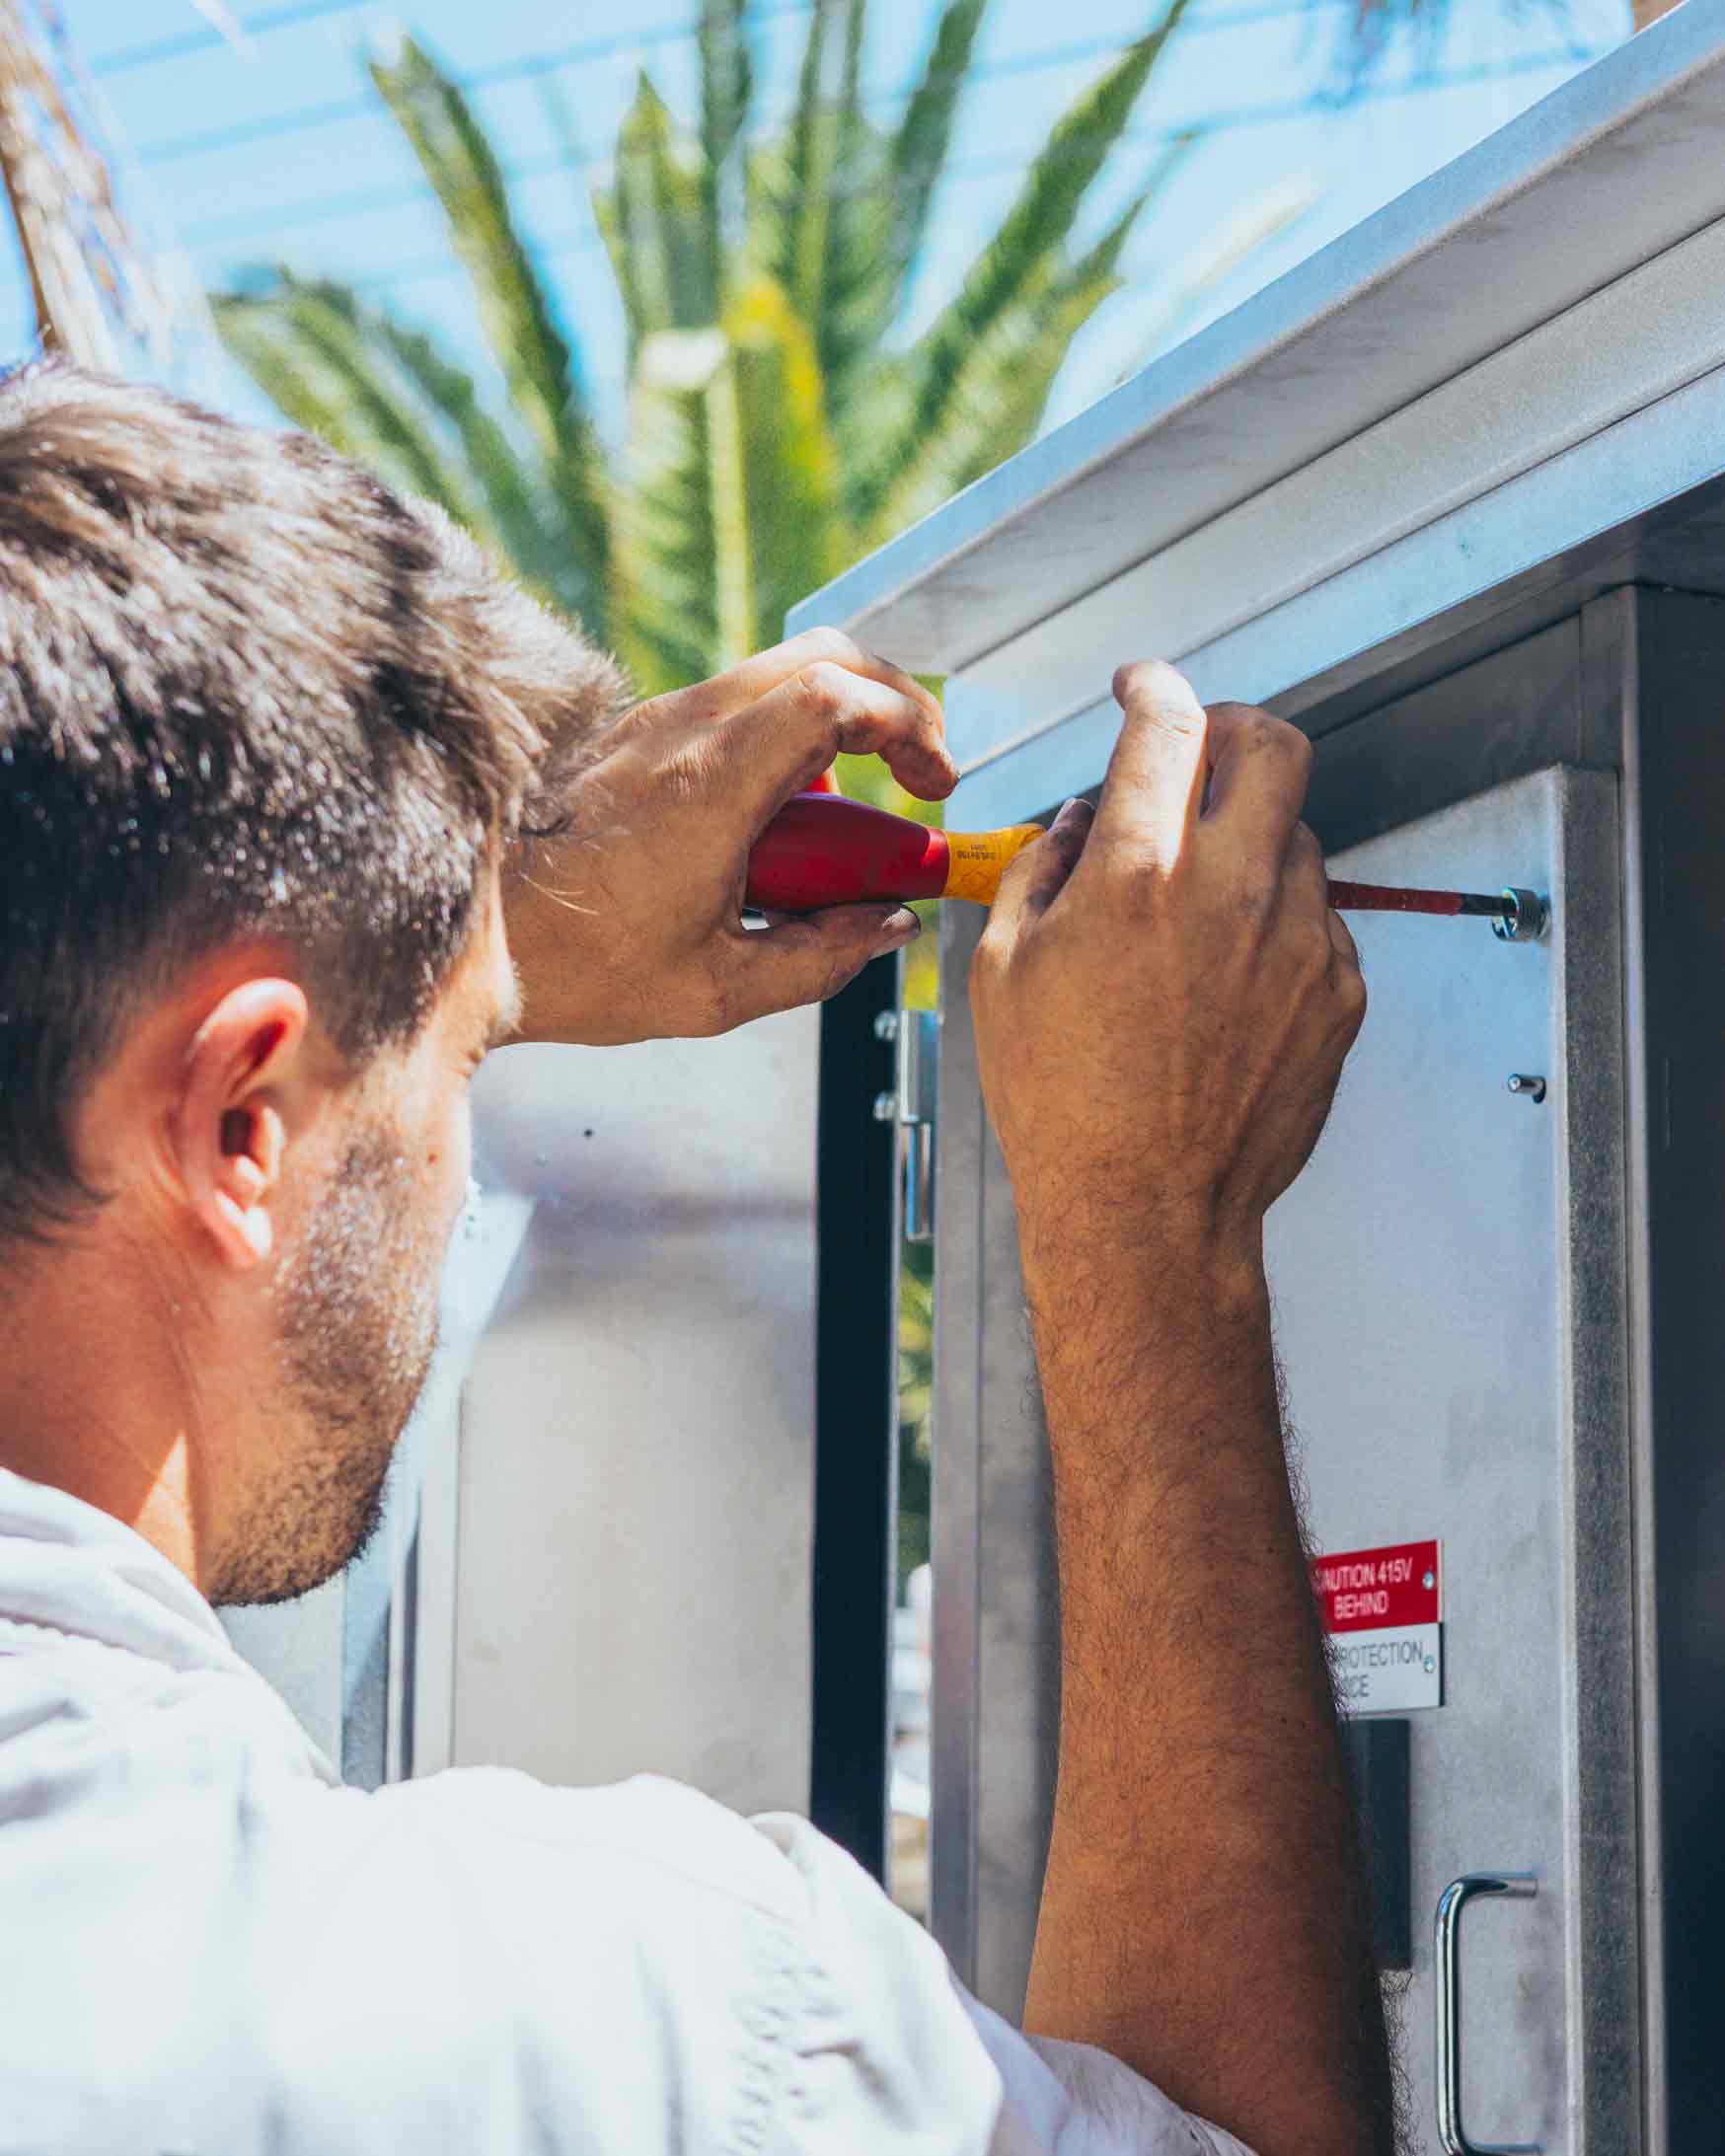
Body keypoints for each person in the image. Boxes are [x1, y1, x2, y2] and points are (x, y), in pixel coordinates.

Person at [0, 362, 1390, 2154]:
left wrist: (480, 925)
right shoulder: (644, 2038)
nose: (449, 1186)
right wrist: (1148, 1227)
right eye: (466, 1059)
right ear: (241, 1127)